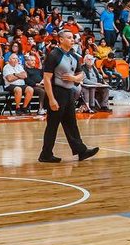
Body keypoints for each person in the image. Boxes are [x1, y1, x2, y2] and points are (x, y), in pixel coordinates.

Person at [39, 30, 99, 163]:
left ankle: (81, 151)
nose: (72, 40)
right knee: (52, 125)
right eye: (69, 38)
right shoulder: (54, 55)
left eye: (73, 38)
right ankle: (45, 154)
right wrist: (52, 99)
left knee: (71, 124)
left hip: (69, 92)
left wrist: (74, 78)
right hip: (56, 92)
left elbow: (81, 75)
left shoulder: (74, 56)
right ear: (61, 40)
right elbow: (47, 78)